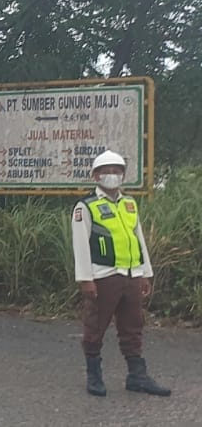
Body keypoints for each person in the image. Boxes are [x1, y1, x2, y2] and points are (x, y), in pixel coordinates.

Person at [72, 149, 170, 397]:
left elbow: (138, 239)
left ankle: (137, 376)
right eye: (106, 171)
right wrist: (86, 279)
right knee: (96, 325)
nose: (112, 175)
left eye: (117, 171)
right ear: (96, 176)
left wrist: (145, 272)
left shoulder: (129, 204)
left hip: (131, 275)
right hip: (103, 276)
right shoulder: (86, 206)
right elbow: (80, 245)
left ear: (123, 176)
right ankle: (94, 375)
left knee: (133, 326)